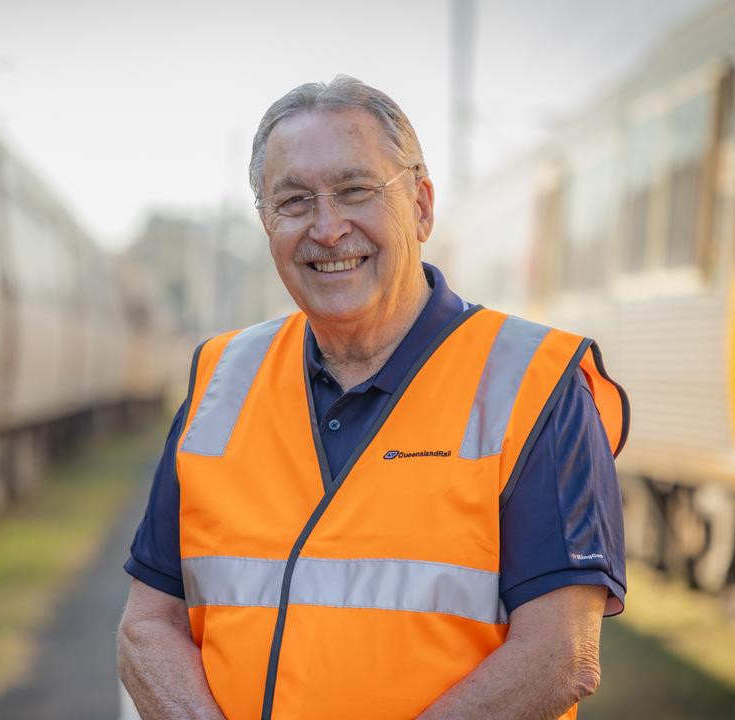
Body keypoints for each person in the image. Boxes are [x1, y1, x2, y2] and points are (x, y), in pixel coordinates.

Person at [116, 75, 629, 720]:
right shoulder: (222, 378)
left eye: (356, 191)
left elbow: (561, 655)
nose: (328, 229)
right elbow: (147, 625)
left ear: (420, 205)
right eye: (295, 201)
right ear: (266, 223)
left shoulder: (536, 384)